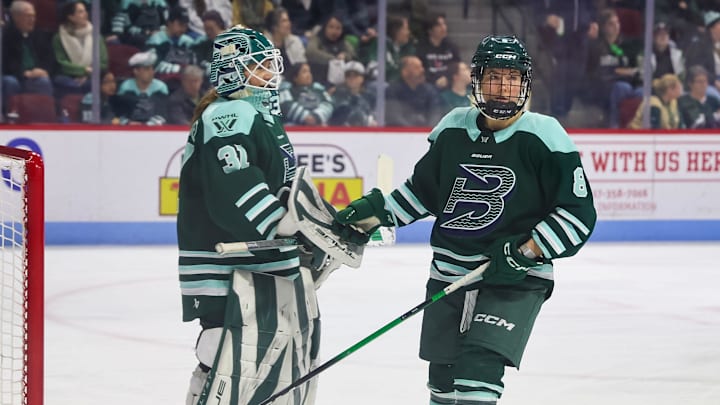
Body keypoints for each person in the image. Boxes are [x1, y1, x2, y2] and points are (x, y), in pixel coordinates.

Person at [333, 35, 597, 404]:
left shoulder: (545, 135)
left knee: (477, 375)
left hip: (514, 278)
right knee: (442, 382)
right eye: (494, 77)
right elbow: (424, 194)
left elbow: (577, 213)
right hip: (449, 273)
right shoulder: (454, 127)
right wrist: (377, 214)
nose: (504, 88)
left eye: (513, 78)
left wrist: (527, 251)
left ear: (525, 83)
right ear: (476, 80)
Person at [177, 25, 321, 405]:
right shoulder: (228, 114)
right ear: (231, 71)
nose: (271, 74)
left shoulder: (259, 115)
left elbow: (282, 186)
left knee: (258, 356)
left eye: (270, 65)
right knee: (221, 353)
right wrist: (282, 225)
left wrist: (316, 225)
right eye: (259, 66)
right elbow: (234, 187)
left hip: (253, 254)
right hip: (223, 259)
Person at [52, 1, 109, 96]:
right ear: (71, 17)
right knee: (68, 83)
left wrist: (87, 75)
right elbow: (61, 62)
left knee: (92, 84)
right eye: (80, 12)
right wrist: (84, 70)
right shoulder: (59, 37)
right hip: (67, 76)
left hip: (92, 76)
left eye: (85, 10)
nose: (86, 14)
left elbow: (103, 63)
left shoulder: (96, 36)